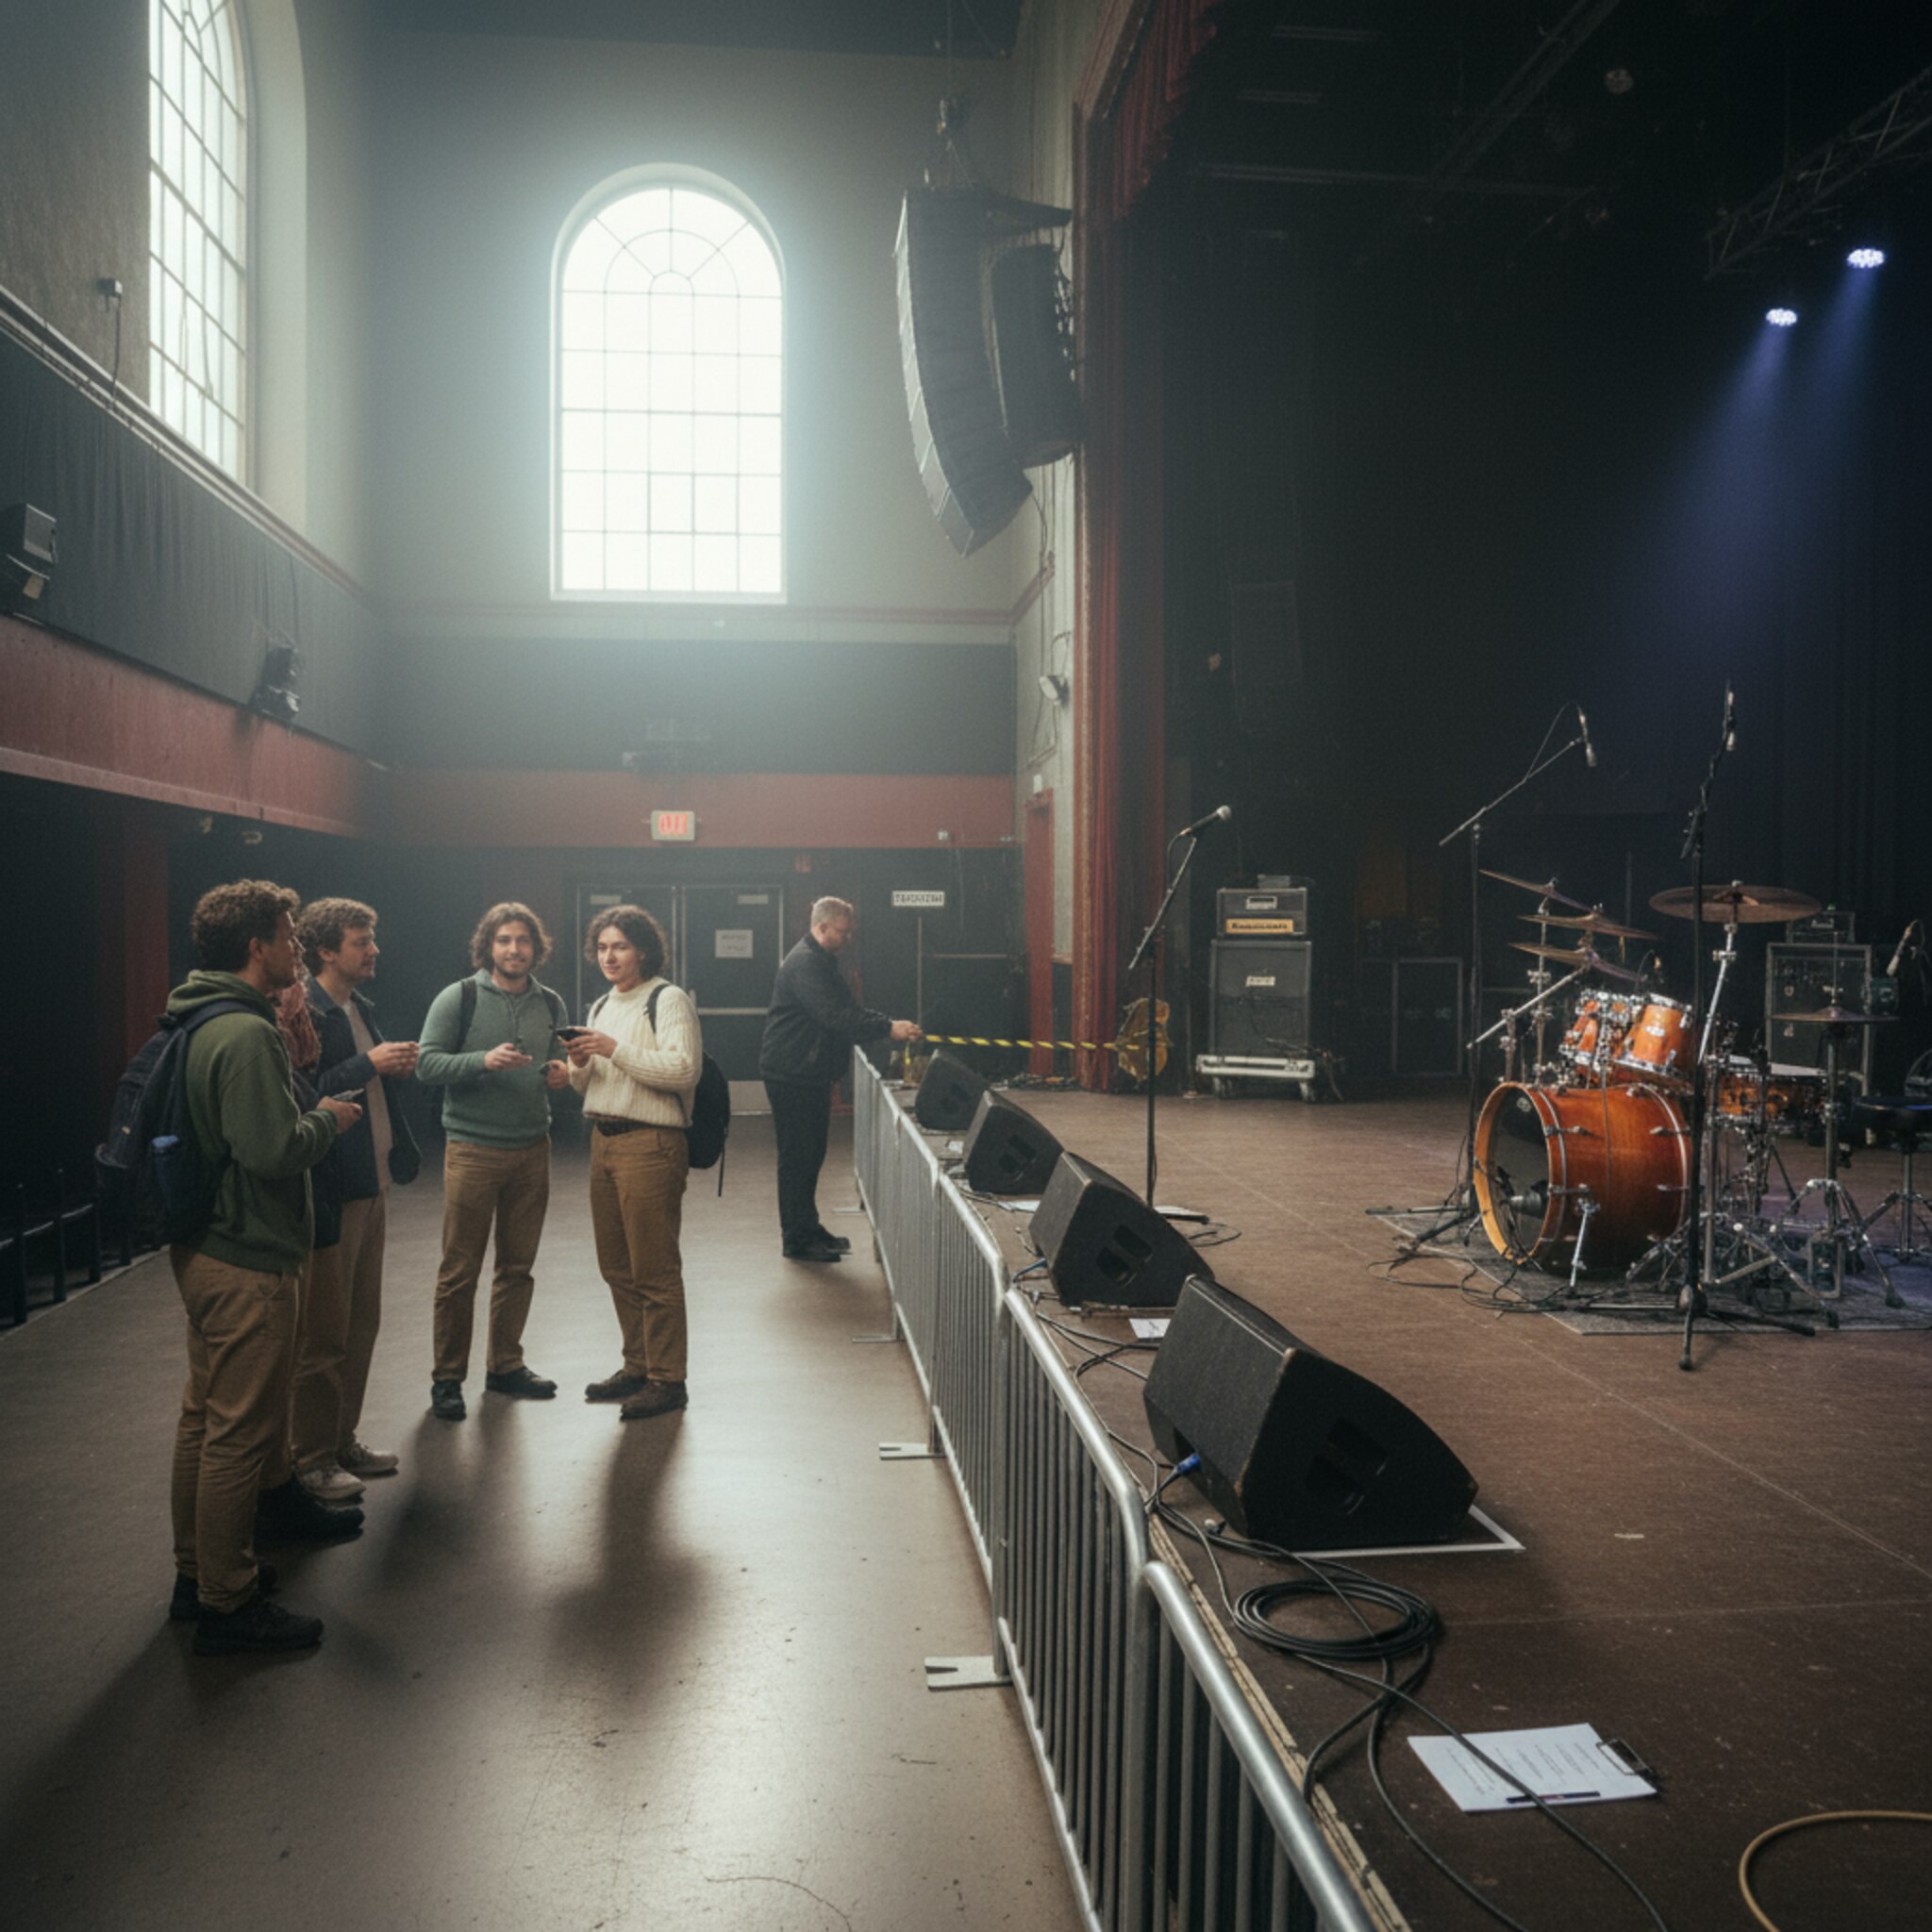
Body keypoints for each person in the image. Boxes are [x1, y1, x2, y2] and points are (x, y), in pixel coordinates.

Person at [165, 880, 362, 1657]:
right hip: (246, 1255)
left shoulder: (197, 1013)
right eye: (287, 934)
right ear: (257, 946)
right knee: (239, 1434)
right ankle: (228, 1601)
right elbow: (272, 1149)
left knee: (204, 1419)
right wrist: (328, 1118)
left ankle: (197, 1576)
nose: (296, 946)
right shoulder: (247, 1033)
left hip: (206, 1247)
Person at [415, 901, 569, 1419]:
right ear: (488, 946)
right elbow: (426, 1064)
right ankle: (447, 1378)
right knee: (460, 1270)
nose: (514, 949)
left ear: (535, 948)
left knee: (517, 1267)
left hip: (533, 1149)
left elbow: (560, 1061)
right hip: (473, 1149)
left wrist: (560, 1074)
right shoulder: (458, 997)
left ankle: (505, 1364)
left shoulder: (551, 1002)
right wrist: (483, 1060)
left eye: (523, 940)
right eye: (504, 940)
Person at [291, 898, 422, 1501]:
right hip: (334, 1190)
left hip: (372, 1182)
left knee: (361, 1325)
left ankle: (341, 1440)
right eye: (360, 941)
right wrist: (367, 1064)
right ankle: (311, 1458)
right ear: (325, 951)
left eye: (372, 939)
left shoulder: (357, 1005)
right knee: (324, 1335)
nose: (374, 950)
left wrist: (386, 1069)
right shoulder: (303, 1011)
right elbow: (304, 1095)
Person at [565, 906, 702, 1421]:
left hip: (651, 1144)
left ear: (643, 950)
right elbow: (589, 1084)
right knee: (616, 1266)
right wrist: (579, 1063)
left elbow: (683, 1070)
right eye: (602, 948)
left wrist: (613, 1049)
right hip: (604, 1140)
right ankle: (638, 1365)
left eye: (619, 946)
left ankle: (668, 1379)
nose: (609, 956)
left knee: (654, 1267)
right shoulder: (602, 1004)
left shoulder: (668, 999)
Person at [758, 895, 920, 1261]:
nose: (848, 939)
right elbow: (834, 1016)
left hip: (806, 1072)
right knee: (799, 1157)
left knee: (811, 1154)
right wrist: (888, 1028)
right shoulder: (806, 964)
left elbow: (848, 1010)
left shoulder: (821, 961)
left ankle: (807, 1226)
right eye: (843, 932)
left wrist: (887, 1024)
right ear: (822, 928)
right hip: (792, 1073)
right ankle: (797, 1239)